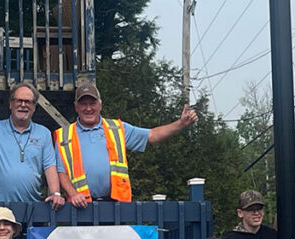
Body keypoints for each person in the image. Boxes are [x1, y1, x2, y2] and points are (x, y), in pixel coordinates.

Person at [55, 82, 198, 204]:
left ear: (100, 105)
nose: (88, 108)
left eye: (92, 103)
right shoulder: (64, 135)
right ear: (76, 107)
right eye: (83, 104)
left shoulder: (117, 128)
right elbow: (61, 172)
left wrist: (180, 124)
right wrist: (73, 194)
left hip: (116, 205)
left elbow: (152, 135)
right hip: (81, 207)